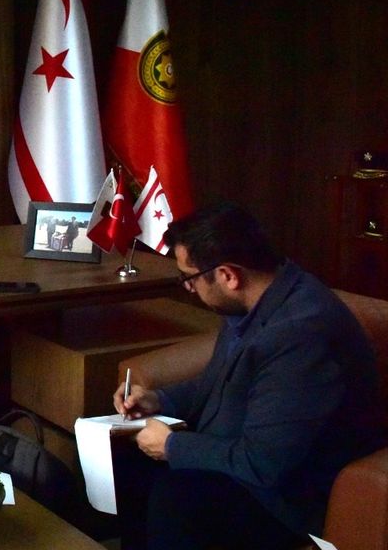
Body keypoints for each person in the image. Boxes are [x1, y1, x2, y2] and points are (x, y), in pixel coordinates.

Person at [112, 201, 385, 549]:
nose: (189, 289)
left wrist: (172, 445)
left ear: (228, 276)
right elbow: (221, 381)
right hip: (241, 453)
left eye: (189, 279)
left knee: (177, 497)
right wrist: (159, 399)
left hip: (287, 496)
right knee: (127, 458)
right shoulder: (257, 299)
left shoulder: (300, 334)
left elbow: (264, 463)